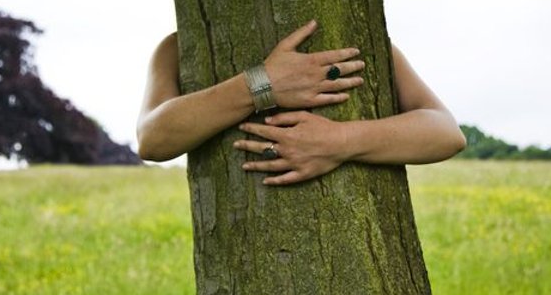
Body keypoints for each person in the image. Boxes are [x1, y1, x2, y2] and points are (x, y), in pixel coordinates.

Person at [137, 19, 466, 185]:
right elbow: (153, 139)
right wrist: (262, 84)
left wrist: (339, 141)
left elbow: (446, 132)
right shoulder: (178, 46)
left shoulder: (353, 29)